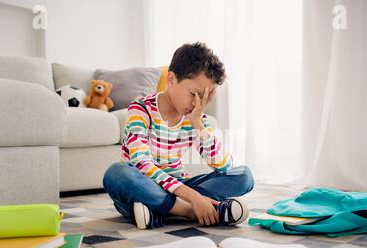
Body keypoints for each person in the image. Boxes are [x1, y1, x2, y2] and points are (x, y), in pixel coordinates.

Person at [103, 42, 254, 229]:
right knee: (117, 173)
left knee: (245, 175)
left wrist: (197, 124)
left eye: (204, 97)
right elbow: (142, 165)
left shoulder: (196, 117)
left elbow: (224, 166)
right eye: (193, 94)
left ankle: (160, 210)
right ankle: (190, 211)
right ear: (171, 80)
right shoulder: (141, 109)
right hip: (144, 185)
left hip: (178, 185)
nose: (197, 103)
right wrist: (195, 198)